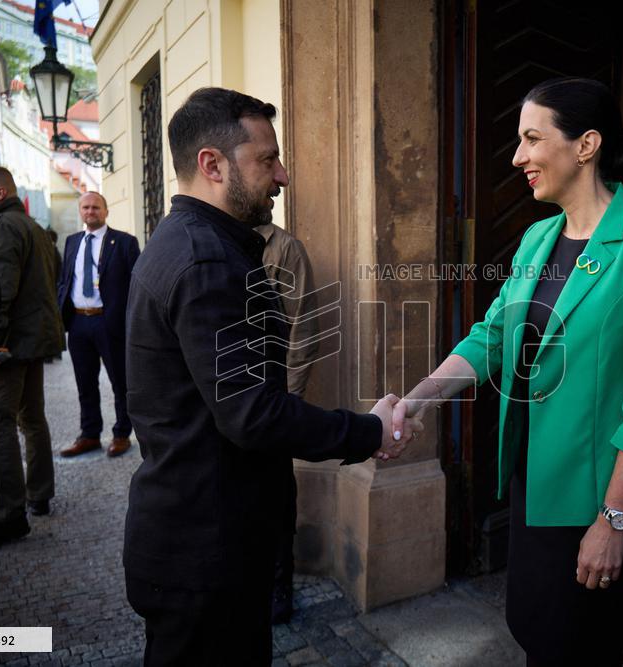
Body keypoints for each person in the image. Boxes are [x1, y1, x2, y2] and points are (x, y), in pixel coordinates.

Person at [390, 77, 623, 665]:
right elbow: (493, 338)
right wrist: (418, 401)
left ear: (585, 145)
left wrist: (614, 520)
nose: (518, 157)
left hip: (598, 499)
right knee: (534, 632)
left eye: (532, 139)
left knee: (579, 648)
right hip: (534, 484)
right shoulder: (537, 237)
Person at [123, 87, 420, 665]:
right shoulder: (206, 259)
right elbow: (252, 412)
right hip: (204, 552)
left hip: (198, 540)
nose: (281, 176)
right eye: (267, 160)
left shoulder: (185, 240)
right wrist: (368, 432)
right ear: (212, 165)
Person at [0, 166, 65, 551]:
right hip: (29, 341)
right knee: (31, 419)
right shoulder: (33, 226)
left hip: (6, 345)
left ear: (0, 192)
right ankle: (39, 494)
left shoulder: (3, 227)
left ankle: (9, 515)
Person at [254, 221, 323, 624]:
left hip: (272, 393)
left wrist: (288, 399)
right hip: (225, 394)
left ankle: (281, 581)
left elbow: (304, 330)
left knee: (277, 492)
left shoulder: (285, 249)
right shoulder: (215, 238)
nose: (277, 179)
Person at [57, 191, 141, 458]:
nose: (90, 212)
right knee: (85, 383)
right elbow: (65, 279)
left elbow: (135, 285)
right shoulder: (71, 242)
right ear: (81, 211)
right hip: (79, 322)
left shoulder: (125, 242)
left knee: (120, 381)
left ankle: (121, 434)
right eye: (86, 207)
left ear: (105, 211)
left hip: (109, 321)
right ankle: (90, 434)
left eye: (95, 207)